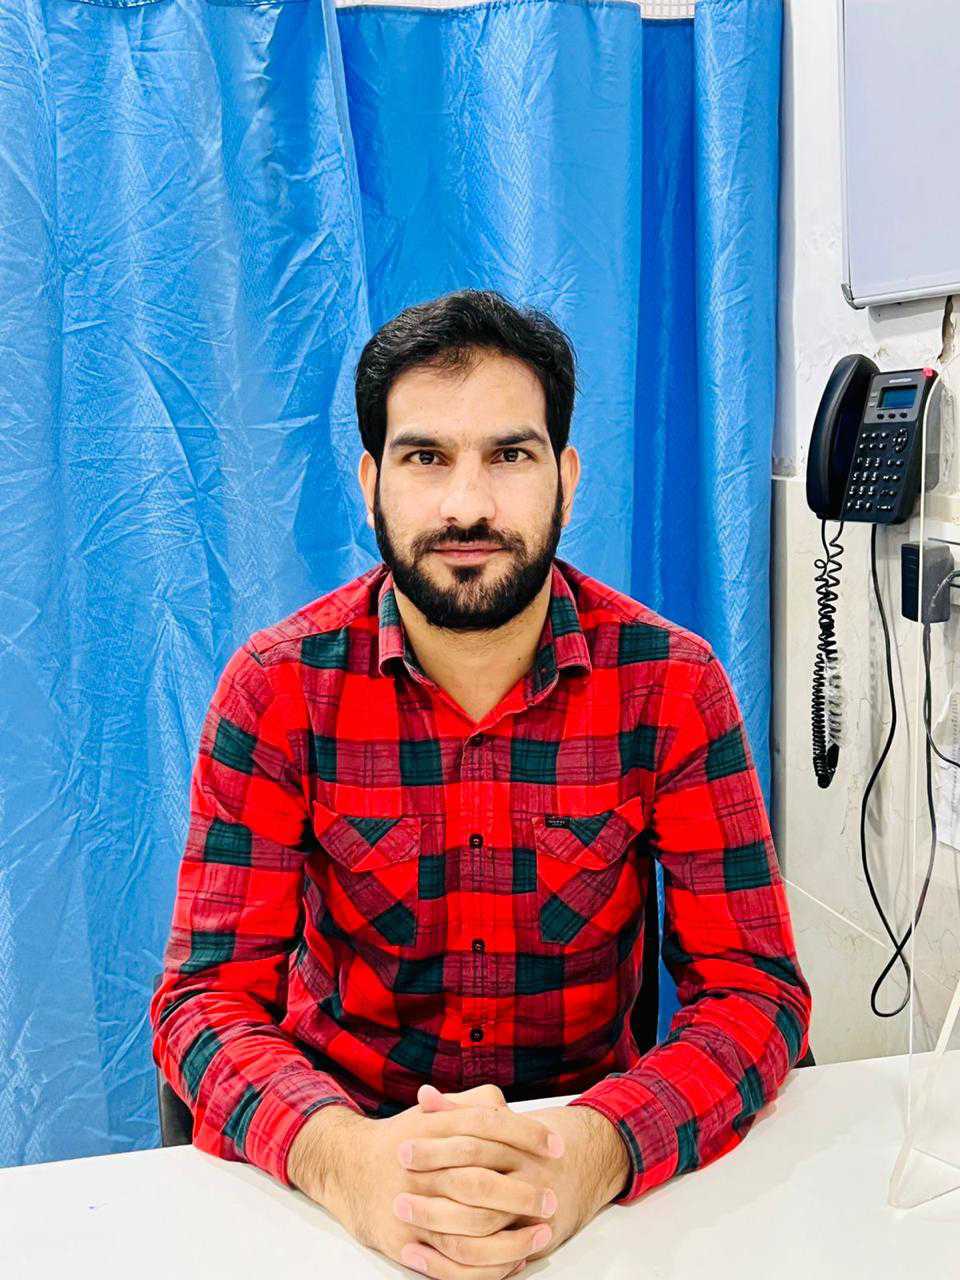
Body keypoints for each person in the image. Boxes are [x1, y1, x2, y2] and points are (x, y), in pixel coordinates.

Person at [150, 288, 812, 1280]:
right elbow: (205, 999)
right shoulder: (278, 689)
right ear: (372, 482)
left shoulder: (673, 686)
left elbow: (755, 988)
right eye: (426, 457)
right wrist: (342, 1159)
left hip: (590, 1182)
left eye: (509, 455)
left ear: (566, 480)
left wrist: (600, 1147)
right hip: (341, 1176)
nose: (467, 505)